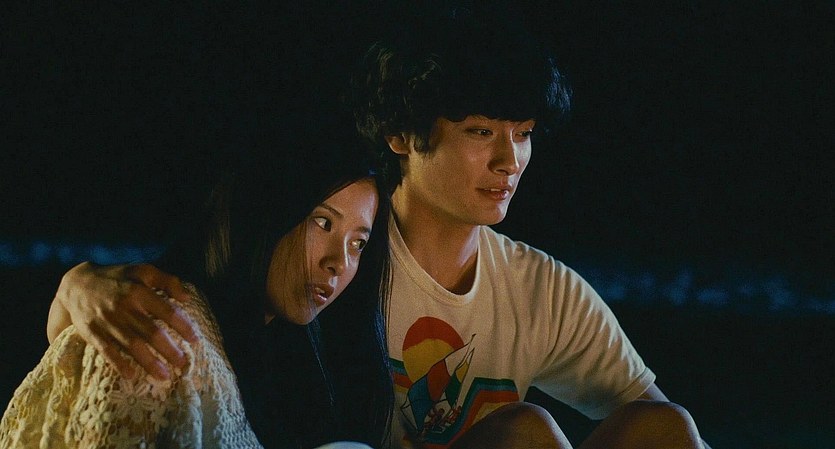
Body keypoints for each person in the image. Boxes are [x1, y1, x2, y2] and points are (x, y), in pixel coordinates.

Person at [38, 6, 710, 449]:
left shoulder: (538, 289)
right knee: (527, 432)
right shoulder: (331, 252)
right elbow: (201, 292)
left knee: (665, 424)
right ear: (400, 136)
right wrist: (79, 284)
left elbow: (659, 428)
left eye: (524, 134)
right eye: (481, 132)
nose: (510, 162)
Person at [0, 115, 394, 449]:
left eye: (358, 244)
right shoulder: (166, 330)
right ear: (269, 208)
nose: (339, 263)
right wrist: (72, 286)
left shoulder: (296, 354)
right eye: (323, 222)